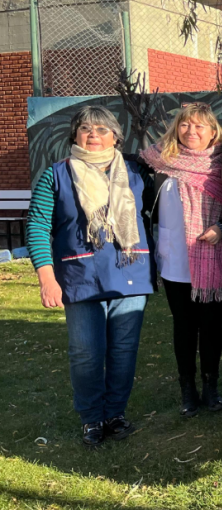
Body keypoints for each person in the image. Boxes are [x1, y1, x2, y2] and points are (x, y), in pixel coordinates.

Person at [25, 106, 156, 446]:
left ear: (116, 136)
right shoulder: (55, 175)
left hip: (130, 275)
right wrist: (46, 278)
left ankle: (114, 415)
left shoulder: (136, 172)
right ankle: (91, 419)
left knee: (124, 351)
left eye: (102, 129)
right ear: (75, 136)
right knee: (86, 353)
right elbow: (38, 227)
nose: (93, 135)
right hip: (79, 278)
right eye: (86, 129)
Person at [136, 103, 222, 417]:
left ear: (212, 133)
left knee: (211, 326)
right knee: (184, 326)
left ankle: (211, 386)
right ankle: (187, 388)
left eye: (199, 126)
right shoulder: (158, 162)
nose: (191, 131)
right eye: (185, 125)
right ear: (176, 128)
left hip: (213, 256)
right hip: (175, 260)